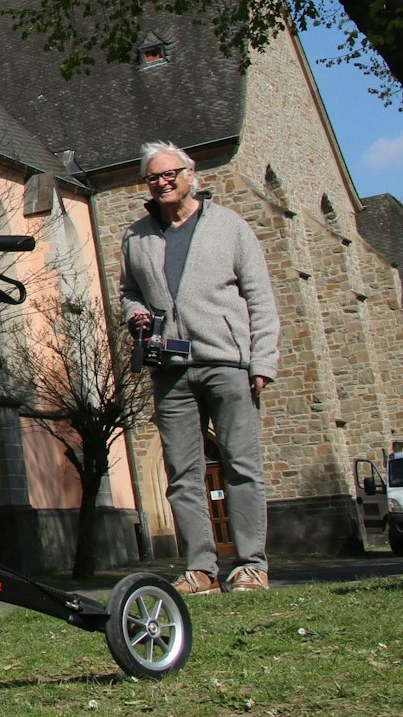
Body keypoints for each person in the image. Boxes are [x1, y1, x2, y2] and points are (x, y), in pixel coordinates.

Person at [120, 140, 279, 595]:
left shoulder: (229, 226)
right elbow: (129, 291)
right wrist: (134, 312)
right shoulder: (136, 235)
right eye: (153, 177)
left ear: (191, 175)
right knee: (182, 473)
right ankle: (201, 569)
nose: (162, 182)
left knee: (241, 466)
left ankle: (250, 565)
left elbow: (261, 300)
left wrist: (262, 361)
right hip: (169, 369)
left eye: (170, 174)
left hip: (228, 362)